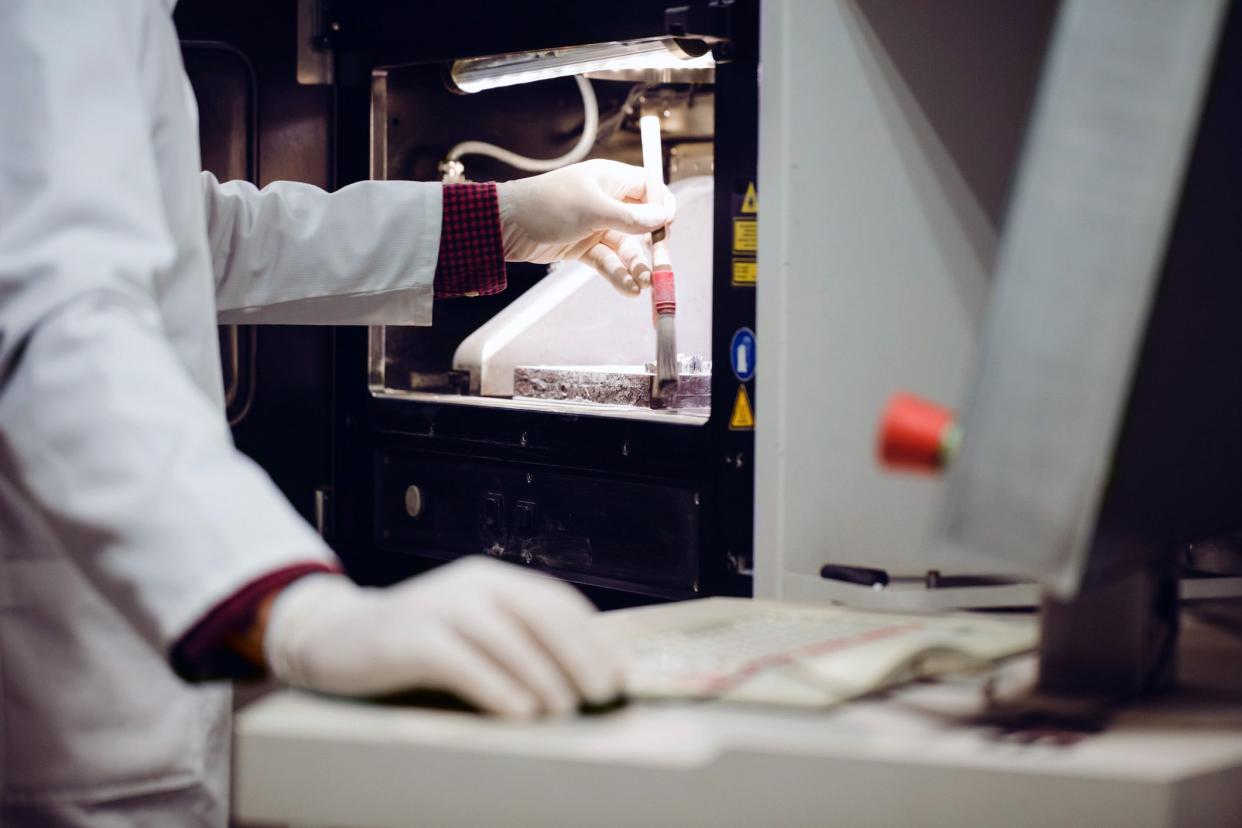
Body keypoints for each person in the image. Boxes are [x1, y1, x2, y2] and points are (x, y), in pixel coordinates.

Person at [0, 2, 675, 825]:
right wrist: (294, 606)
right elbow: (49, 319)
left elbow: (196, 235)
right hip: (72, 697)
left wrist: (508, 220)